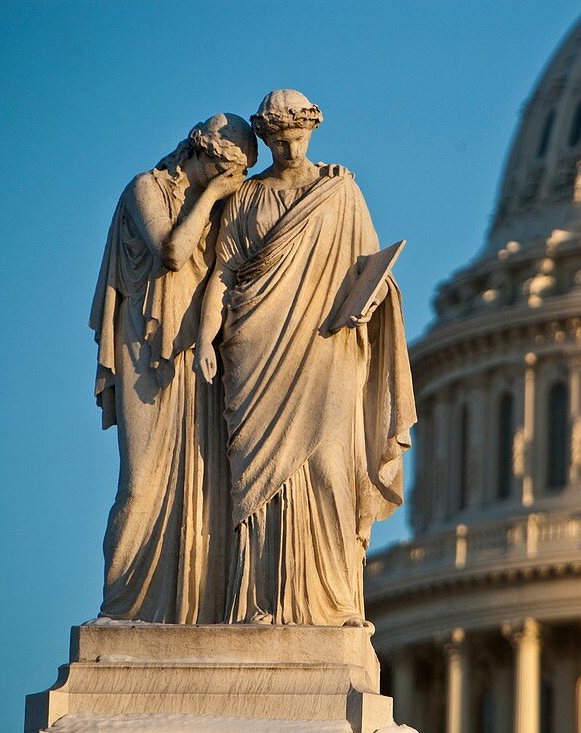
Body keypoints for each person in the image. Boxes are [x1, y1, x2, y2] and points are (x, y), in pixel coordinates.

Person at [195, 89, 416, 626]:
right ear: (266, 140)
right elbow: (224, 274)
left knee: (329, 469)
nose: (289, 150)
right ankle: (257, 603)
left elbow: (374, 272)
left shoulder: (341, 193)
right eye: (278, 142)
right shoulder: (246, 199)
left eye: (296, 139)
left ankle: (332, 603)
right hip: (255, 348)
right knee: (258, 484)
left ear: (311, 132)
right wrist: (204, 338)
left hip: (327, 349)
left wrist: (371, 302)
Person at [90, 114, 255, 623]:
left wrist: (325, 177)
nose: (234, 182)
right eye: (227, 168)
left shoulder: (225, 203)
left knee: (202, 489)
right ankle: (119, 608)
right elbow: (172, 252)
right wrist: (210, 197)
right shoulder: (147, 188)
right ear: (201, 153)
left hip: (199, 355)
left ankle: (193, 613)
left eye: (240, 174)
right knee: (139, 484)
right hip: (146, 348)